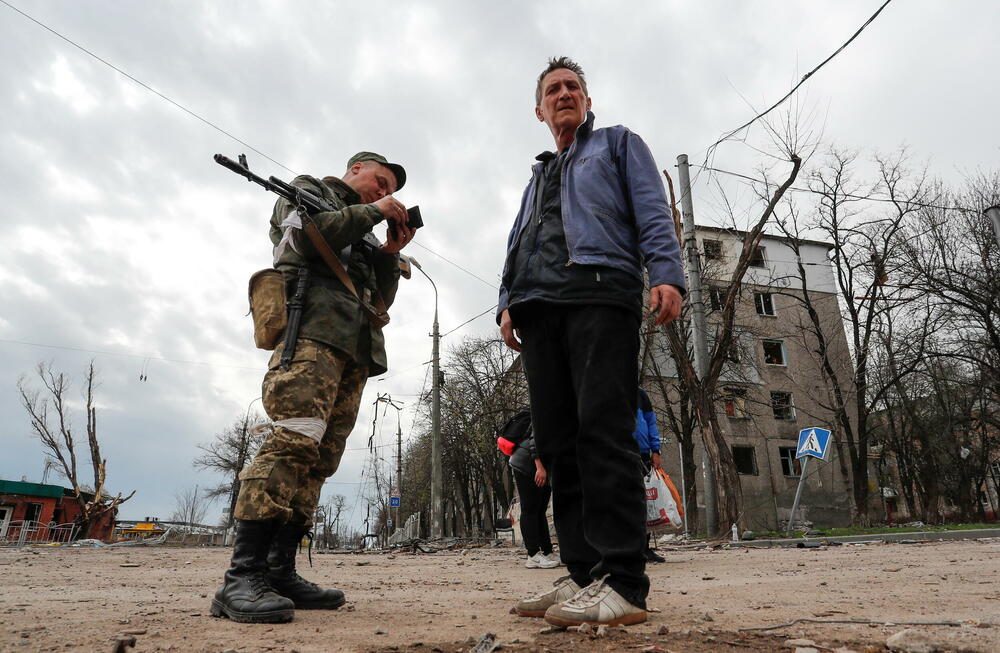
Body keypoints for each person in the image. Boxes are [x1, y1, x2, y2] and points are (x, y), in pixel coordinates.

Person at [499, 57, 685, 627]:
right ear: (538, 109)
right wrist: (507, 299)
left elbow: (653, 212)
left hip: (600, 292)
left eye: (572, 87)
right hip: (539, 309)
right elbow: (520, 239)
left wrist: (667, 272)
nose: (563, 94)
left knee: (603, 433)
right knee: (557, 445)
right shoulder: (538, 175)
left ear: (586, 98)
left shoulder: (617, 144)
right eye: (552, 89)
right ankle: (584, 575)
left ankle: (624, 580)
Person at [211, 152, 416, 624]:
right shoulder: (307, 192)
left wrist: (387, 253)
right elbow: (308, 238)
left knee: (320, 460)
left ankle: (279, 571)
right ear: (356, 169)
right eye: (379, 182)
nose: (383, 194)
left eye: (388, 191)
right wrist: (373, 213)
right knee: (293, 440)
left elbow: (379, 300)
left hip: (354, 350)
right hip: (310, 335)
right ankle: (241, 578)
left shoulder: (363, 229)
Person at [509, 427, 560, 569]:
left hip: (541, 467)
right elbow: (535, 439)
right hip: (527, 465)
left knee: (540, 510)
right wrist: (540, 468)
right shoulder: (548, 411)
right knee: (530, 509)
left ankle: (547, 552)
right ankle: (533, 555)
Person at [633, 387, 666, 563]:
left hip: (643, 453)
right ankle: (625, 548)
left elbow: (651, 422)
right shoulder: (608, 388)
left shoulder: (640, 394)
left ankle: (644, 548)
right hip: (618, 451)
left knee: (645, 502)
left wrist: (656, 449)